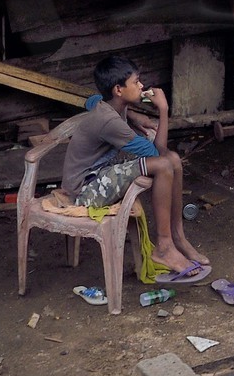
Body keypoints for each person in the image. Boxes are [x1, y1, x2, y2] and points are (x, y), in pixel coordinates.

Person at [61, 53, 209, 279]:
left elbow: (91, 100)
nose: (141, 86)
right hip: (85, 190)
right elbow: (157, 153)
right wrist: (163, 110)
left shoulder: (107, 104)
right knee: (163, 164)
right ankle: (164, 247)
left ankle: (178, 236)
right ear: (118, 90)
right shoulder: (109, 121)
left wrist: (133, 116)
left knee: (175, 160)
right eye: (136, 82)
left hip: (101, 172)